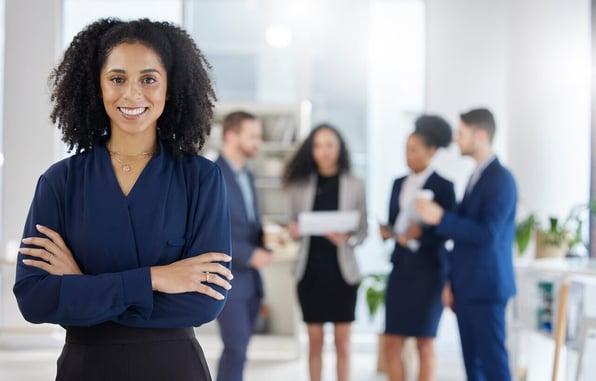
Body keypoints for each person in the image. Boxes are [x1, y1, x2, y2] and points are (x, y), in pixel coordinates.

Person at [13, 18, 233, 381]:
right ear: (97, 87)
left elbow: (205, 302)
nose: (132, 94)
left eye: (148, 79)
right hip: (86, 369)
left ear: (169, 88)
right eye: (117, 79)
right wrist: (156, 278)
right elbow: (35, 300)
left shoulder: (201, 179)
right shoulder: (60, 182)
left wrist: (82, 286)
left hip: (173, 369)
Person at [416, 108, 517, 381]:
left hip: (487, 288)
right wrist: (452, 281)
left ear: (481, 135)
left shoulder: (501, 179)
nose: (456, 140)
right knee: (474, 368)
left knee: (493, 365)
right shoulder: (476, 177)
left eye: (461, 134)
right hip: (468, 286)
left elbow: (488, 234)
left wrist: (440, 217)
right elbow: (463, 236)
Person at [283, 124, 368, 381]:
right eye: (318, 145)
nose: (324, 152)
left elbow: (363, 230)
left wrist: (347, 238)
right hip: (310, 273)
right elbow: (290, 227)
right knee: (315, 344)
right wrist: (295, 230)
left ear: (339, 147)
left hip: (342, 273)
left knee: (343, 345)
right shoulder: (299, 185)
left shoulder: (355, 184)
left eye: (329, 145)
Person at [380, 115, 456, 381]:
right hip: (402, 268)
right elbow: (392, 220)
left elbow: (448, 229)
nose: (407, 156)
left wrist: (421, 235)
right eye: (405, 149)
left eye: (413, 150)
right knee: (392, 340)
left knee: (425, 341)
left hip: (430, 271)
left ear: (431, 151)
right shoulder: (398, 183)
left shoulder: (444, 187)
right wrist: (388, 232)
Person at [214, 111, 274, 381]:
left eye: (259, 136)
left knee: (240, 350)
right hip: (227, 276)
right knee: (236, 347)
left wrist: (271, 238)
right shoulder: (212, 176)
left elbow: (248, 223)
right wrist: (250, 254)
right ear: (230, 135)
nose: (257, 142)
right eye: (252, 136)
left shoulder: (247, 175)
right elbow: (209, 232)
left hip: (251, 280)